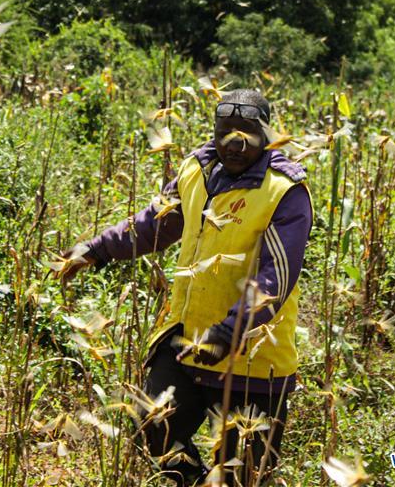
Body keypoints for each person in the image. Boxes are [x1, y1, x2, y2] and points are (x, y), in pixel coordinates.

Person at [59, 89, 312, 486]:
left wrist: (230, 331)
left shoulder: (285, 191)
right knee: (153, 428)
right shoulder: (197, 169)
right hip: (187, 341)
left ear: (266, 137)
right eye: (225, 130)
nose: (234, 141)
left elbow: (275, 277)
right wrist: (96, 249)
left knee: (243, 475)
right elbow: (154, 223)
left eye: (246, 132)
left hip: (252, 360)